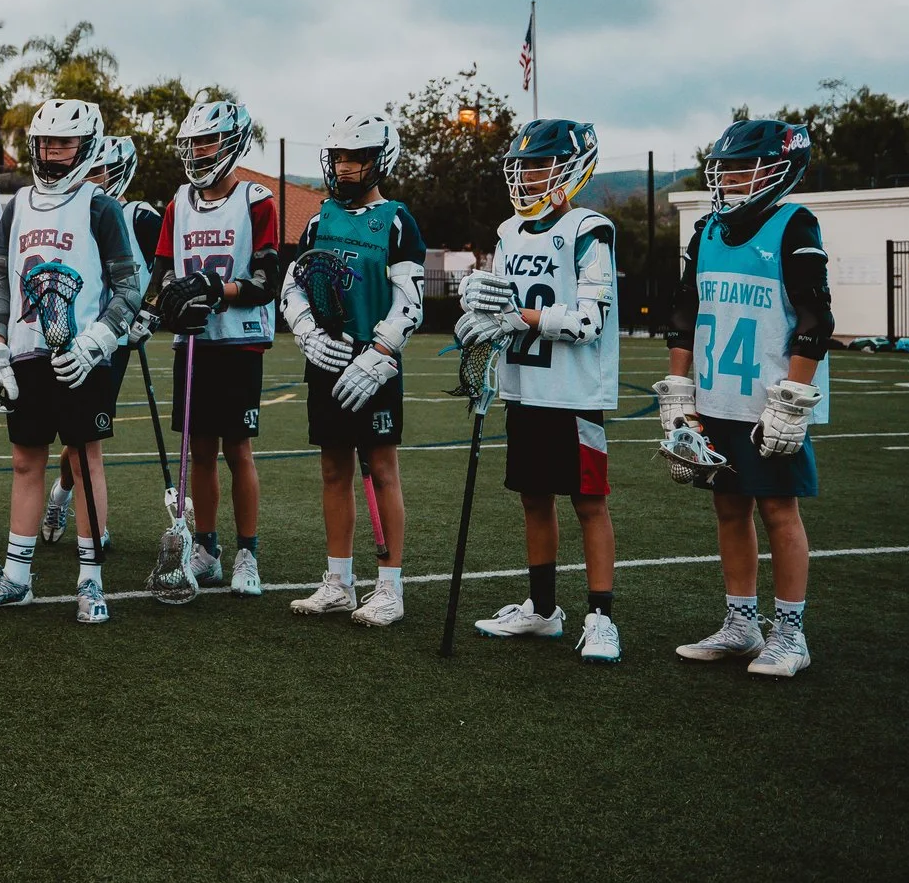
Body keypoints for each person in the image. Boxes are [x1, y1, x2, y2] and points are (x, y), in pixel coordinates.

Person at [0, 98, 145, 625]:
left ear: (86, 146)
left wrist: (97, 343)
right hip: (26, 353)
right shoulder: (17, 205)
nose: (52, 152)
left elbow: (128, 290)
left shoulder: (100, 206)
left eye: (64, 143)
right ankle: (17, 578)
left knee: (86, 461)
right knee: (25, 460)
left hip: (82, 356)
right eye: (45, 142)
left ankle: (91, 580)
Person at [659, 119, 831, 679]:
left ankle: (791, 633)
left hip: (767, 400)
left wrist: (792, 399)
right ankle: (741, 623)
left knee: (779, 510)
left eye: (740, 167)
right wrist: (678, 392)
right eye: (725, 168)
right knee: (729, 508)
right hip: (715, 399)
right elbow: (685, 316)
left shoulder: (793, 223)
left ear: (780, 168)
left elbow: (814, 320)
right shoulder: (706, 229)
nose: (729, 178)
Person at [458, 120, 623, 663]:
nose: (527, 175)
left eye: (538, 164)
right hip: (525, 389)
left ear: (571, 168)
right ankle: (544, 609)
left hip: (574, 393)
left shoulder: (588, 228)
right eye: (522, 165)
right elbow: (498, 306)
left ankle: (601, 616)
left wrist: (518, 316)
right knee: (533, 498)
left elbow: (589, 320)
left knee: (588, 503)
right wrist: (477, 321)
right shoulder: (508, 232)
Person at [283, 113, 426, 628]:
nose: (344, 169)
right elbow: (293, 284)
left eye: (355, 158)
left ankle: (390, 587)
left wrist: (380, 353)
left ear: (378, 160)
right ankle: (339, 582)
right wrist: (308, 334)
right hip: (327, 359)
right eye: (339, 158)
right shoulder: (319, 219)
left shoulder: (395, 220)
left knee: (382, 470)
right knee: (333, 470)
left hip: (374, 367)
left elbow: (410, 302)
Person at [148, 98, 278, 596]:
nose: (200, 151)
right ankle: (206, 548)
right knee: (198, 450)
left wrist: (210, 289)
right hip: (192, 343)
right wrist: (153, 308)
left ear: (233, 142)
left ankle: (248, 551)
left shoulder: (256, 199)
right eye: (195, 142)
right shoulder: (179, 202)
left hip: (238, 342)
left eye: (209, 140)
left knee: (236, 448)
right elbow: (161, 273)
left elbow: (266, 280)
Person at [41, 133, 148, 554]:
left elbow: (165, 269)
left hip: (114, 340)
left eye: (104, 169)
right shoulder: (76, 211)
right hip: (75, 334)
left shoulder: (138, 214)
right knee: (76, 437)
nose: (97, 176)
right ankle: (63, 495)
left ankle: (72, 505)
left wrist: (148, 314)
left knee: (89, 437)